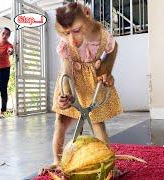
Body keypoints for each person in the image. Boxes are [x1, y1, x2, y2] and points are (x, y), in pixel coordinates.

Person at [49, 2, 123, 169]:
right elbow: (66, 70)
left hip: (91, 84)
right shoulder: (66, 44)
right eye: (66, 33)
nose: (72, 40)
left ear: (87, 14)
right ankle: (57, 161)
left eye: (76, 30)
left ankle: (108, 164)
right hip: (71, 81)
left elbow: (112, 49)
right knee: (60, 122)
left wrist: (106, 70)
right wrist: (66, 93)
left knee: (97, 122)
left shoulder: (103, 36)